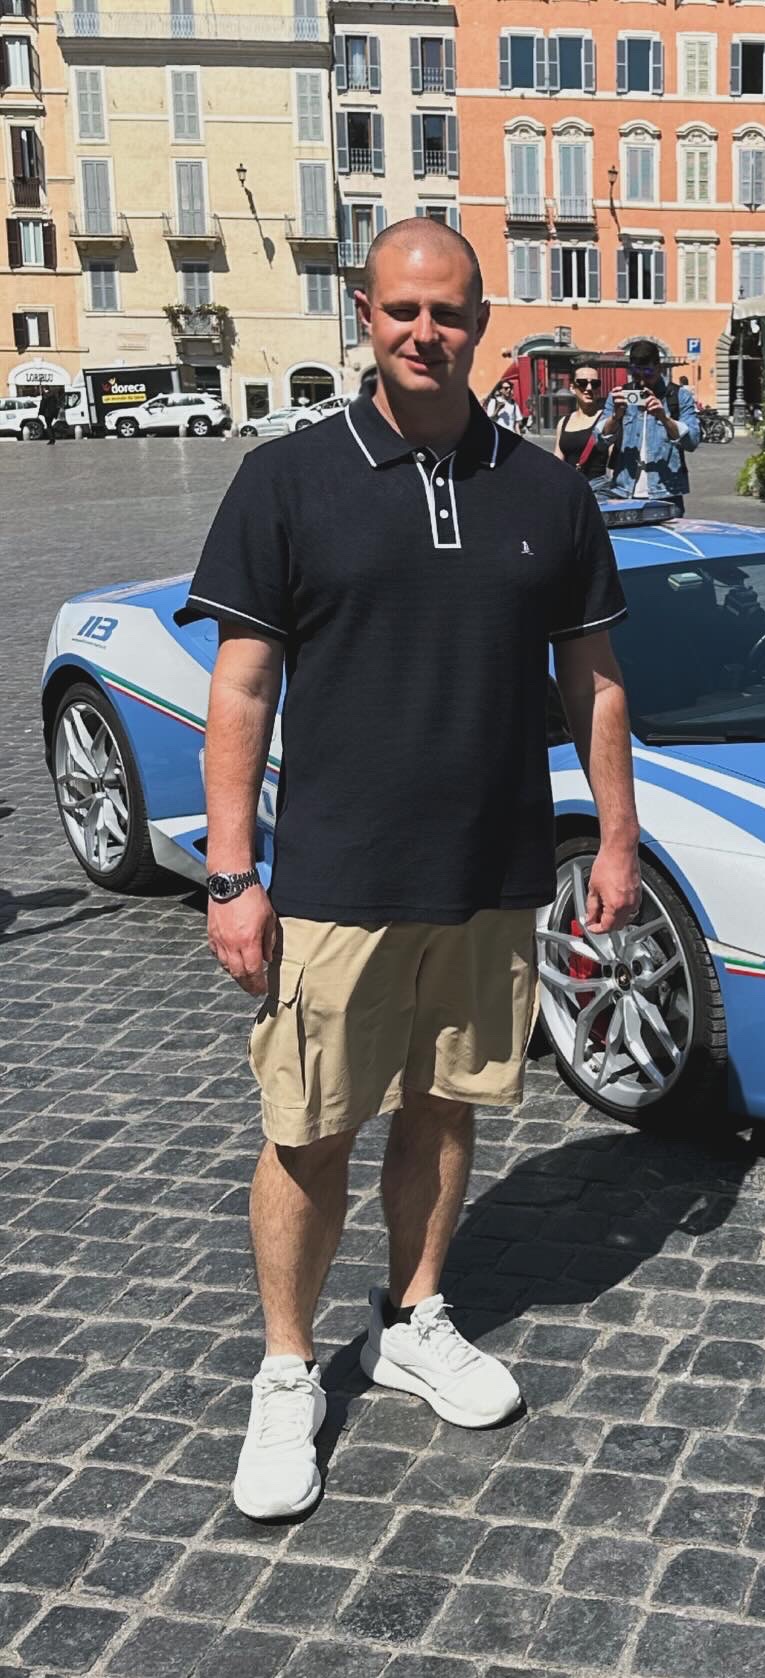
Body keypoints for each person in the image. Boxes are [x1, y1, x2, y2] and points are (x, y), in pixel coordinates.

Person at [182, 217, 641, 1520]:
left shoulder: (548, 492)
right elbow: (243, 687)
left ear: (483, 320)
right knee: (309, 1130)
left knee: (447, 1108)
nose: (424, 333)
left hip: (492, 871)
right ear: (366, 316)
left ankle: (411, 1319)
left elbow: (594, 682)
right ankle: (285, 1375)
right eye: (401, 311)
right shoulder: (289, 481)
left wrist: (613, 838)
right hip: (333, 875)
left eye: (447, 311)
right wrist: (232, 874)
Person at [600, 339, 700, 514]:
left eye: (648, 374)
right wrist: (615, 418)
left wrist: (664, 418)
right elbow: (599, 442)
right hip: (624, 492)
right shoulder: (620, 395)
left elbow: (692, 441)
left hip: (667, 495)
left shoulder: (678, 396)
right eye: (636, 375)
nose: (642, 383)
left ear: (659, 368)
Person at [554, 364, 607, 480]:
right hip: (569, 488)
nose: (589, 388)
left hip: (596, 491)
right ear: (572, 388)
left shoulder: (606, 420)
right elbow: (557, 461)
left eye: (595, 384)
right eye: (582, 383)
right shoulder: (564, 422)